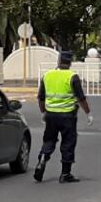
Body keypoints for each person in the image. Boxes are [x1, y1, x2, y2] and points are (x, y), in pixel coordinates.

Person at [34, 51, 93, 184]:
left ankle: (43, 158)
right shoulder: (72, 77)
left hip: (51, 115)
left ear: (58, 61)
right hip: (67, 116)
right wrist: (88, 113)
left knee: (49, 140)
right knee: (68, 142)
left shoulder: (47, 75)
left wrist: (43, 112)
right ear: (70, 62)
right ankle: (65, 174)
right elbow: (81, 98)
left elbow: (41, 97)